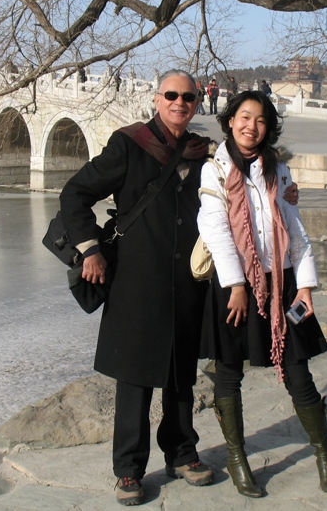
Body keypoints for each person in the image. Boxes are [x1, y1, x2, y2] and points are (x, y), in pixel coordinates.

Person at [60, 70, 214, 506]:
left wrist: (287, 190)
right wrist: (89, 249)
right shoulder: (129, 144)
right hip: (136, 279)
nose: (179, 102)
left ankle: (182, 453)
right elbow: (74, 193)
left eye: (188, 96)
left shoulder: (204, 154)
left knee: (181, 372)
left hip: (188, 280)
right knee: (135, 377)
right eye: (171, 95)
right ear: (156, 98)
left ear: (197, 102)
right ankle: (128, 469)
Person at [197, 91, 327, 498]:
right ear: (229, 121)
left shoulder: (279, 171)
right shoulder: (214, 170)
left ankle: (323, 453)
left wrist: (307, 288)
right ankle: (237, 458)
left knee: (299, 371)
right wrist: (237, 285)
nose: (250, 126)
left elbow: (295, 231)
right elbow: (216, 231)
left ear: (268, 126)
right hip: (233, 284)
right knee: (228, 371)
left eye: (259, 120)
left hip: (282, 281)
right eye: (244, 117)